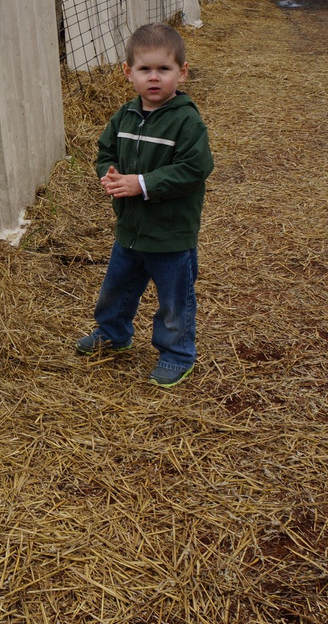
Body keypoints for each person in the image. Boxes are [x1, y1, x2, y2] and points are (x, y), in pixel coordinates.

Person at [73, 23, 214, 388]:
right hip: (131, 229)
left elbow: (194, 169)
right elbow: (105, 151)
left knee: (173, 301)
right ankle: (113, 333)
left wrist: (143, 183)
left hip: (170, 234)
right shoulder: (124, 117)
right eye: (144, 69)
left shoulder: (186, 120)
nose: (154, 78)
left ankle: (177, 354)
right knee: (117, 288)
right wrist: (111, 173)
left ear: (181, 72)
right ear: (127, 72)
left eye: (164, 69)